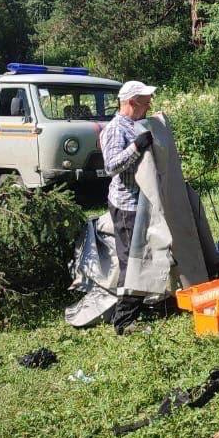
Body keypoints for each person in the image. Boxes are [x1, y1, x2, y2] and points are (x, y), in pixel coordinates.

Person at [100, 80, 157, 331]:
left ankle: (135, 308)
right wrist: (136, 146)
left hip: (141, 202)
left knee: (141, 257)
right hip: (126, 205)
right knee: (130, 261)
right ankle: (124, 320)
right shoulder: (116, 129)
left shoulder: (135, 124)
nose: (148, 106)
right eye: (145, 103)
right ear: (131, 103)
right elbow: (110, 166)